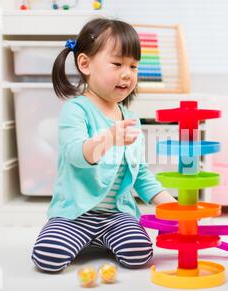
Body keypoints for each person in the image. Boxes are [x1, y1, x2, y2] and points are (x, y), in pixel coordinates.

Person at [31, 18, 177, 272]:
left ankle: (100, 239)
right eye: (117, 63)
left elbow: (140, 175)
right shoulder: (76, 110)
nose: (127, 74)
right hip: (75, 214)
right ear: (85, 64)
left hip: (116, 215)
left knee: (139, 254)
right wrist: (109, 139)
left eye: (133, 66)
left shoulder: (129, 120)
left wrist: (171, 206)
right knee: (48, 257)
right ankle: (80, 236)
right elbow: (76, 154)